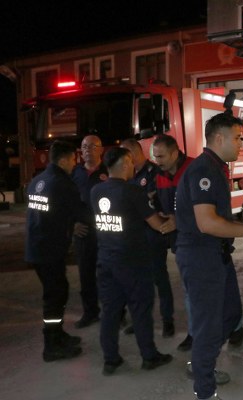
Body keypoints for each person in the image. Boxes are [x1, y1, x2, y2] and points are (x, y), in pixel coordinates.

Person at [175, 112, 243, 400]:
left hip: (216, 254)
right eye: (236, 138)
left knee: (230, 314)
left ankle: (201, 362)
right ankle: (205, 389)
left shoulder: (215, 167)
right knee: (208, 325)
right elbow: (207, 223)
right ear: (219, 138)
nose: (240, 144)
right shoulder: (204, 170)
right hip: (201, 257)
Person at [91, 147, 174, 375]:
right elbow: (156, 224)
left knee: (110, 312)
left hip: (106, 260)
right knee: (140, 309)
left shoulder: (96, 191)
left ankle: (110, 360)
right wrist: (173, 221)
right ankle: (149, 356)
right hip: (133, 262)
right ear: (126, 164)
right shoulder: (133, 191)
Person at [25, 140, 85, 362]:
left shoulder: (37, 181)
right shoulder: (62, 183)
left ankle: (57, 334)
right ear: (63, 160)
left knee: (59, 291)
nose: (75, 163)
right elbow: (81, 212)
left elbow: (49, 213)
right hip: (49, 250)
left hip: (37, 248)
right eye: (73, 159)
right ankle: (51, 345)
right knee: (55, 296)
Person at [120, 138, 175, 338]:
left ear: (134, 153)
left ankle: (167, 320)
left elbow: (155, 201)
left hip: (153, 233)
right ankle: (140, 320)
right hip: (133, 234)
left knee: (159, 278)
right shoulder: (127, 175)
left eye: (126, 155)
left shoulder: (154, 172)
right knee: (137, 281)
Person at [152, 134, 195, 348]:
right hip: (180, 241)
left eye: (161, 156)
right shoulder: (160, 175)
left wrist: (178, 219)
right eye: (155, 156)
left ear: (175, 153)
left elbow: (204, 208)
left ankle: (233, 328)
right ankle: (194, 333)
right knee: (189, 289)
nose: (157, 161)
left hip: (199, 240)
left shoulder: (193, 170)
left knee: (206, 289)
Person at [71, 134, 106, 328]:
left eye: (92, 146)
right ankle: (90, 312)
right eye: (84, 146)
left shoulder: (108, 170)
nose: (87, 150)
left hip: (106, 232)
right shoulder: (74, 173)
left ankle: (116, 313)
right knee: (86, 275)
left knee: (109, 274)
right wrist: (72, 225)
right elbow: (65, 201)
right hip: (83, 233)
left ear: (101, 149)